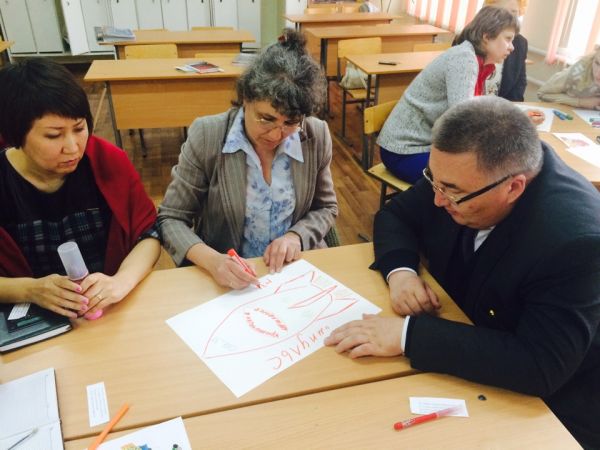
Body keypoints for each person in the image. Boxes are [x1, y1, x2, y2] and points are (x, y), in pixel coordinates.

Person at [325, 96, 600, 448]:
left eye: (451, 192)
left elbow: (540, 364)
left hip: (549, 408)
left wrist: (407, 336)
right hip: (467, 334)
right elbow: (396, 215)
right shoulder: (463, 174)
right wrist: (402, 273)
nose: (437, 200)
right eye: (433, 181)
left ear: (513, 187)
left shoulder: (575, 243)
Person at [158, 29, 338, 290]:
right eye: (266, 119)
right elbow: (171, 218)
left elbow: (326, 207)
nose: (276, 135)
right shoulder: (208, 135)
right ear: (245, 99)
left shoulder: (316, 134)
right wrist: (213, 261)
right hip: (228, 281)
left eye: (290, 123)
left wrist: (295, 237)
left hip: (294, 276)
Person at [0, 59, 161, 320]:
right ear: (15, 134)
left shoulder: (107, 161)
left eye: (79, 128)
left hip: (109, 312)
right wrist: (30, 289)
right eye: (54, 135)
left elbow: (149, 235)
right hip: (35, 323)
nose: (73, 147)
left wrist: (121, 281)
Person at [377, 6, 518, 183]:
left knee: (489, 169)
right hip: (404, 151)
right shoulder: (464, 59)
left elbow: (474, 112)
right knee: (479, 177)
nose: (512, 47)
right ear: (487, 36)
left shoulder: (478, 62)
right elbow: (463, 121)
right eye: (508, 39)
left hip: (426, 146)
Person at [482, 0, 528, 101]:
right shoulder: (470, 39)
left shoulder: (520, 43)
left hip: (503, 107)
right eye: (502, 12)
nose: (508, 19)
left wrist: (511, 109)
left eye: (514, 13)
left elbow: (519, 86)